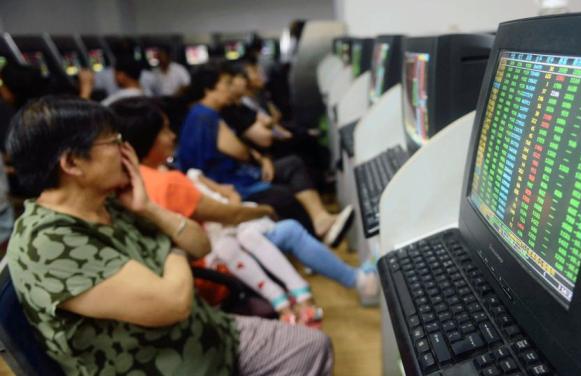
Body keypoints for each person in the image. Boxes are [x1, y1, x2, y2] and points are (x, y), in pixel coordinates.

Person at [5, 96, 333, 375]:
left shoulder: (110, 202)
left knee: (312, 347)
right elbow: (173, 303)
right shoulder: (49, 242)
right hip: (167, 365)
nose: (126, 150)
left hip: (207, 335)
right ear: (73, 162)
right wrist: (173, 248)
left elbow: (200, 243)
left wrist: (149, 208)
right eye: (114, 142)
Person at [112, 97, 380, 312]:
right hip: (212, 261)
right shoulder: (168, 181)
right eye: (165, 131)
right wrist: (263, 211)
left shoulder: (127, 182)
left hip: (191, 263)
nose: (172, 137)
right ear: (147, 139)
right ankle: (359, 281)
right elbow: (231, 214)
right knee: (287, 226)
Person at [178, 63, 352, 246]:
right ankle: (316, 239)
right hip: (229, 184)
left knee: (292, 164)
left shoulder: (204, 113)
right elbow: (240, 152)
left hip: (237, 174)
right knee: (283, 195)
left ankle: (320, 219)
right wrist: (257, 158)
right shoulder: (206, 117)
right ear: (209, 88)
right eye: (226, 84)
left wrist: (262, 159)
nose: (231, 89)